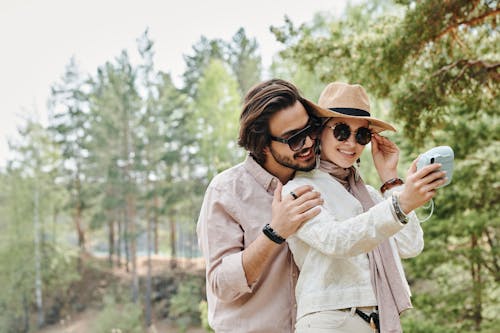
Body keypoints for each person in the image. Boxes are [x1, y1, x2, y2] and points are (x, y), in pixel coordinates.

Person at [282, 82, 447, 333]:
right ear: (318, 132)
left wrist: (391, 180)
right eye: (341, 131)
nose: (351, 143)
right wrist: (400, 204)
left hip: (375, 321)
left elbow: (410, 245)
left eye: (362, 135)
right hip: (328, 321)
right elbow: (336, 240)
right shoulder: (298, 189)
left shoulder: (368, 195)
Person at [197, 79, 329, 332]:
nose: (310, 143)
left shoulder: (324, 179)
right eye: (294, 139)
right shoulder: (225, 191)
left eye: (310, 129)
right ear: (263, 144)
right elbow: (221, 286)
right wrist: (275, 232)